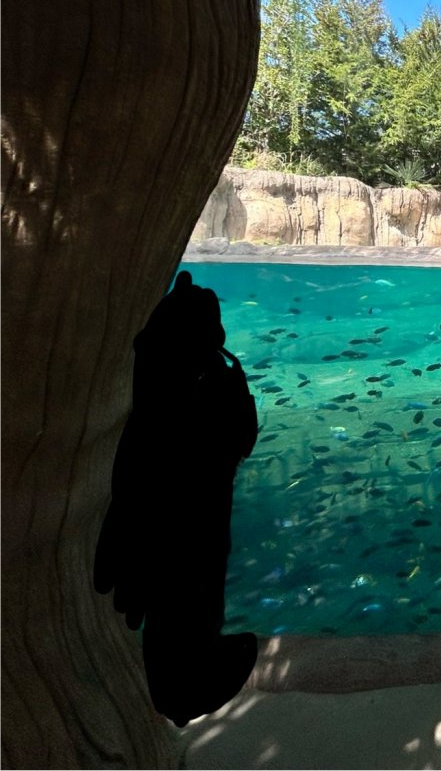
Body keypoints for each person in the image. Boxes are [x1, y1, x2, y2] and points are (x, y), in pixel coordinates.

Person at [93, 271, 260, 726]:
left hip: (166, 533)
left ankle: (177, 690)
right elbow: (241, 440)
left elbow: (132, 473)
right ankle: (181, 693)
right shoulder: (218, 386)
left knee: (172, 612)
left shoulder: (155, 387)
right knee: (190, 608)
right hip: (198, 532)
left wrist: (117, 538)